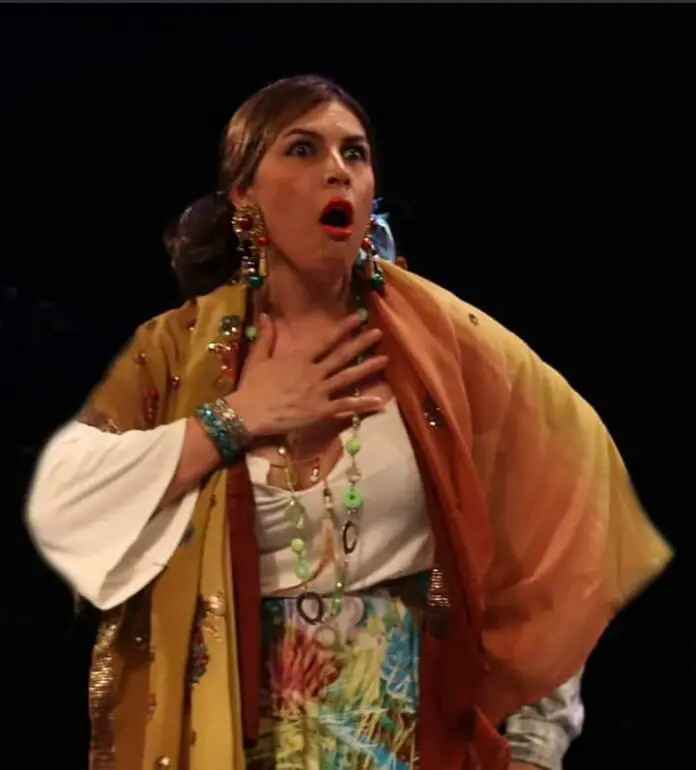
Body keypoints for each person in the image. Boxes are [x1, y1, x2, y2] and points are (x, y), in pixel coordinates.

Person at [26, 75, 672, 770]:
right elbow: (64, 502)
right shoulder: (177, 351)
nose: (337, 169)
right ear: (245, 193)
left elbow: (554, 528)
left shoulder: (442, 343)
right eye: (303, 149)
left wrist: (536, 745)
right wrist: (234, 419)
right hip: (228, 743)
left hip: (407, 744)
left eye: (354, 154)